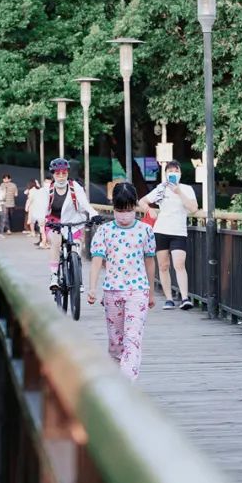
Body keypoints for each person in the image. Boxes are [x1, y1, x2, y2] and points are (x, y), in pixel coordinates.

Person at [87, 181, 156, 380]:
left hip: (138, 291)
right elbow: (97, 261)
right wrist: (92, 288)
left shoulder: (145, 231)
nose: (124, 215)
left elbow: (149, 262)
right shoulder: (104, 231)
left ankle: (127, 384)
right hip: (112, 292)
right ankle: (116, 382)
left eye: (128, 210)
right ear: (113, 207)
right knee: (116, 342)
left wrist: (151, 292)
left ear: (135, 206)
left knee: (132, 339)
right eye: (119, 210)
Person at [139, 164, 199, 310]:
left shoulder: (186, 189)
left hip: (179, 231)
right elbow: (141, 201)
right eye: (170, 171)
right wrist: (149, 209)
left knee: (179, 263)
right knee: (163, 265)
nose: (173, 173)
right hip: (161, 230)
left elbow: (193, 208)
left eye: (176, 170)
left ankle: (184, 298)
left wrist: (179, 192)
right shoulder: (161, 188)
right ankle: (169, 299)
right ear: (165, 174)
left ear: (180, 173)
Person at [44, 158, 96, 292]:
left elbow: (85, 203)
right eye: (57, 173)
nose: (61, 176)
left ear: (67, 173)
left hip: (74, 223)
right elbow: (41, 210)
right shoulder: (48, 190)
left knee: (76, 250)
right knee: (56, 242)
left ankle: (78, 280)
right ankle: (54, 275)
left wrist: (93, 214)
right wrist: (43, 221)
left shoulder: (74, 187)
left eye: (64, 173)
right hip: (54, 222)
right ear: (53, 174)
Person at [23, 180, 44, 245]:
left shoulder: (31, 190)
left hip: (33, 206)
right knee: (39, 220)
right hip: (39, 206)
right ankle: (40, 232)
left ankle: (33, 232)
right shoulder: (39, 190)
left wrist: (27, 206)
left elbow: (30, 199)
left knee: (32, 220)